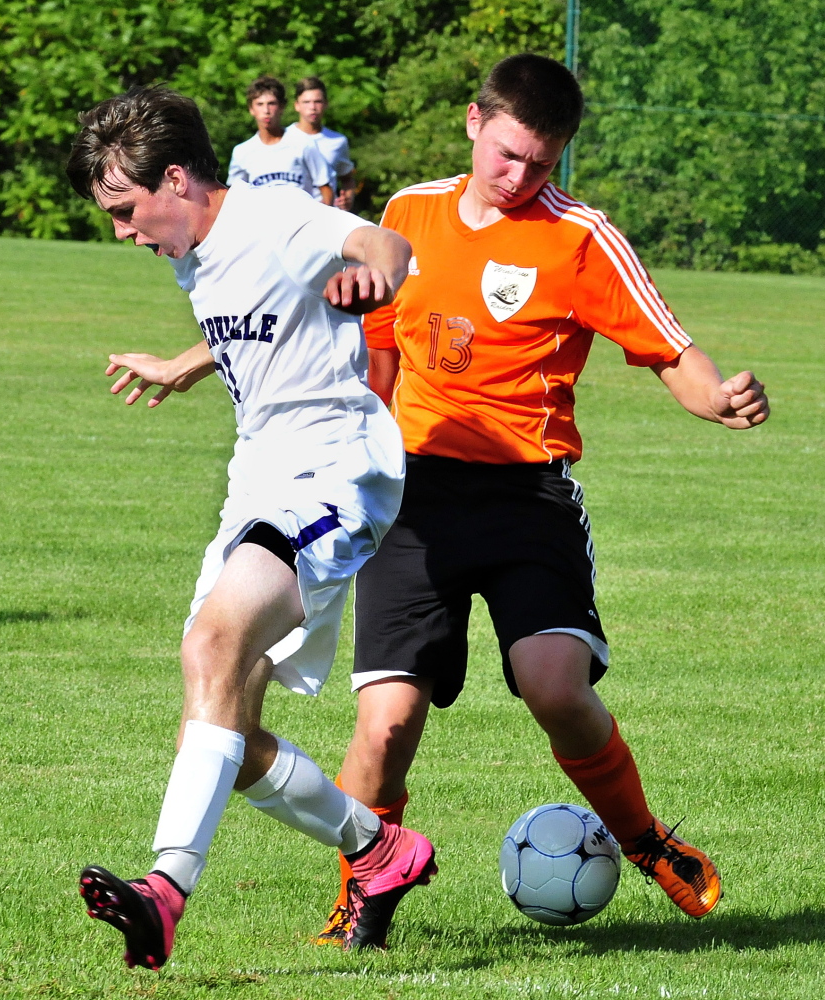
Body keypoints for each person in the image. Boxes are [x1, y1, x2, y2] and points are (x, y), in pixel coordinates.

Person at [315, 53, 770, 945]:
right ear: (475, 121)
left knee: (553, 685)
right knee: (385, 723)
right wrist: (356, 444)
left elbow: (670, 347)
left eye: (543, 162)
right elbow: (379, 351)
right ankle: (361, 896)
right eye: (510, 154)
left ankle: (643, 841)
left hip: (528, 496)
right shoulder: (408, 213)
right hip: (412, 495)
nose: (521, 177)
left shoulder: (580, 237)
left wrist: (715, 398)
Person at [65, 84, 436, 969]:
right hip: (260, 476)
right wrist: (189, 364)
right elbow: (254, 316)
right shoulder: (192, 247)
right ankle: (381, 850)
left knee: (213, 645)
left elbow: (383, 242)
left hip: (336, 468)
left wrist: (376, 271)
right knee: (226, 725)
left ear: (180, 179)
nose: (123, 232)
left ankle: (165, 891)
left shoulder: (272, 213)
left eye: (125, 210)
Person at [227, 76, 334, 204]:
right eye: (260, 104)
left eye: (271, 104)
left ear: (282, 107)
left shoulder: (303, 143)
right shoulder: (242, 152)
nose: (266, 111)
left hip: (301, 220)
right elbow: (234, 198)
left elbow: (326, 189)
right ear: (251, 109)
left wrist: (320, 220)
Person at [288, 76, 356, 211]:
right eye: (306, 102)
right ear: (297, 105)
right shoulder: (285, 138)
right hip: (294, 214)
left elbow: (347, 178)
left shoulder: (337, 141)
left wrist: (347, 199)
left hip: (328, 215)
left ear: (326, 104)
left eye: (317, 101)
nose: (312, 107)